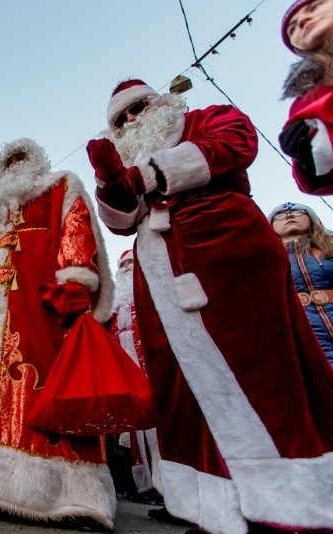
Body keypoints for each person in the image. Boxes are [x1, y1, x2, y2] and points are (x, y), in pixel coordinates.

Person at [87, 79, 333, 533]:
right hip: (160, 280)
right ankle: (217, 508)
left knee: (261, 377)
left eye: (137, 108)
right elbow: (122, 222)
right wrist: (110, 185)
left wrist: (142, 176)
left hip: (225, 255)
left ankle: (287, 503)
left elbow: (235, 144)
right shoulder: (130, 162)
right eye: (120, 119)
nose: (131, 121)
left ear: (159, 102)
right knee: (184, 391)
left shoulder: (204, 118)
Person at [0, 138, 117, 527]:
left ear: (37, 161)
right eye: (6, 161)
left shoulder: (61, 186)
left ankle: (69, 493)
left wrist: (76, 284)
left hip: (45, 306)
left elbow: (76, 230)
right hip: (1, 316)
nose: (13, 166)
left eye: (20, 158)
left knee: (48, 386)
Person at [107, 250, 162, 502]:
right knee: (127, 432)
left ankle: (162, 483)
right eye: (123, 264)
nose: (127, 267)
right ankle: (135, 485)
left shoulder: (151, 297)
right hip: (122, 372)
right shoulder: (113, 307)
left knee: (155, 425)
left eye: (132, 262)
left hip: (151, 369)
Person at [280, 0, 333, 195]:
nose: (302, 20)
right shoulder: (304, 103)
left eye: (315, 7)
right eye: (292, 28)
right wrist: (307, 165)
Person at [270, 202, 333, 366]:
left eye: (297, 212)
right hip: (302, 334)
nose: (289, 215)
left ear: (311, 218)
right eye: (280, 215)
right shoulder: (265, 260)